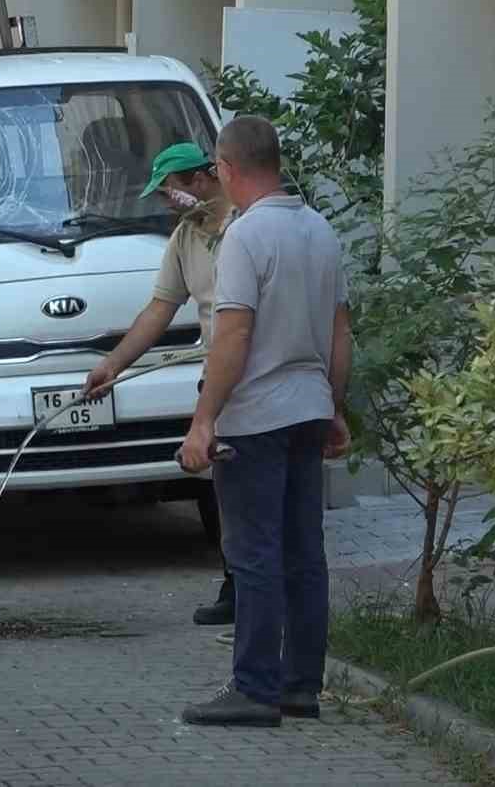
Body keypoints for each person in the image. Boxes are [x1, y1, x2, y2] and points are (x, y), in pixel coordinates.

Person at [177, 115, 352, 728]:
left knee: (254, 555)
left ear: (226, 169)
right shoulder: (321, 231)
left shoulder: (247, 238)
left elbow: (234, 335)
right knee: (306, 555)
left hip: (255, 418)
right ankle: (301, 687)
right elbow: (339, 331)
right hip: (308, 408)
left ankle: (253, 688)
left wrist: (204, 420)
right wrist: (333, 405)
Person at [83, 141, 238, 626]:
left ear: (200, 179)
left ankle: (266, 593)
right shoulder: (185, 238)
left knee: (255, 489)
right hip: (216, 375)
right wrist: (115, 364)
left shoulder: (247, 226)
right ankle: (236, 584)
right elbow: (159, 309)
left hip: (252, 370)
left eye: (170, 191)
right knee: (226, 488)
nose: (166, 203)